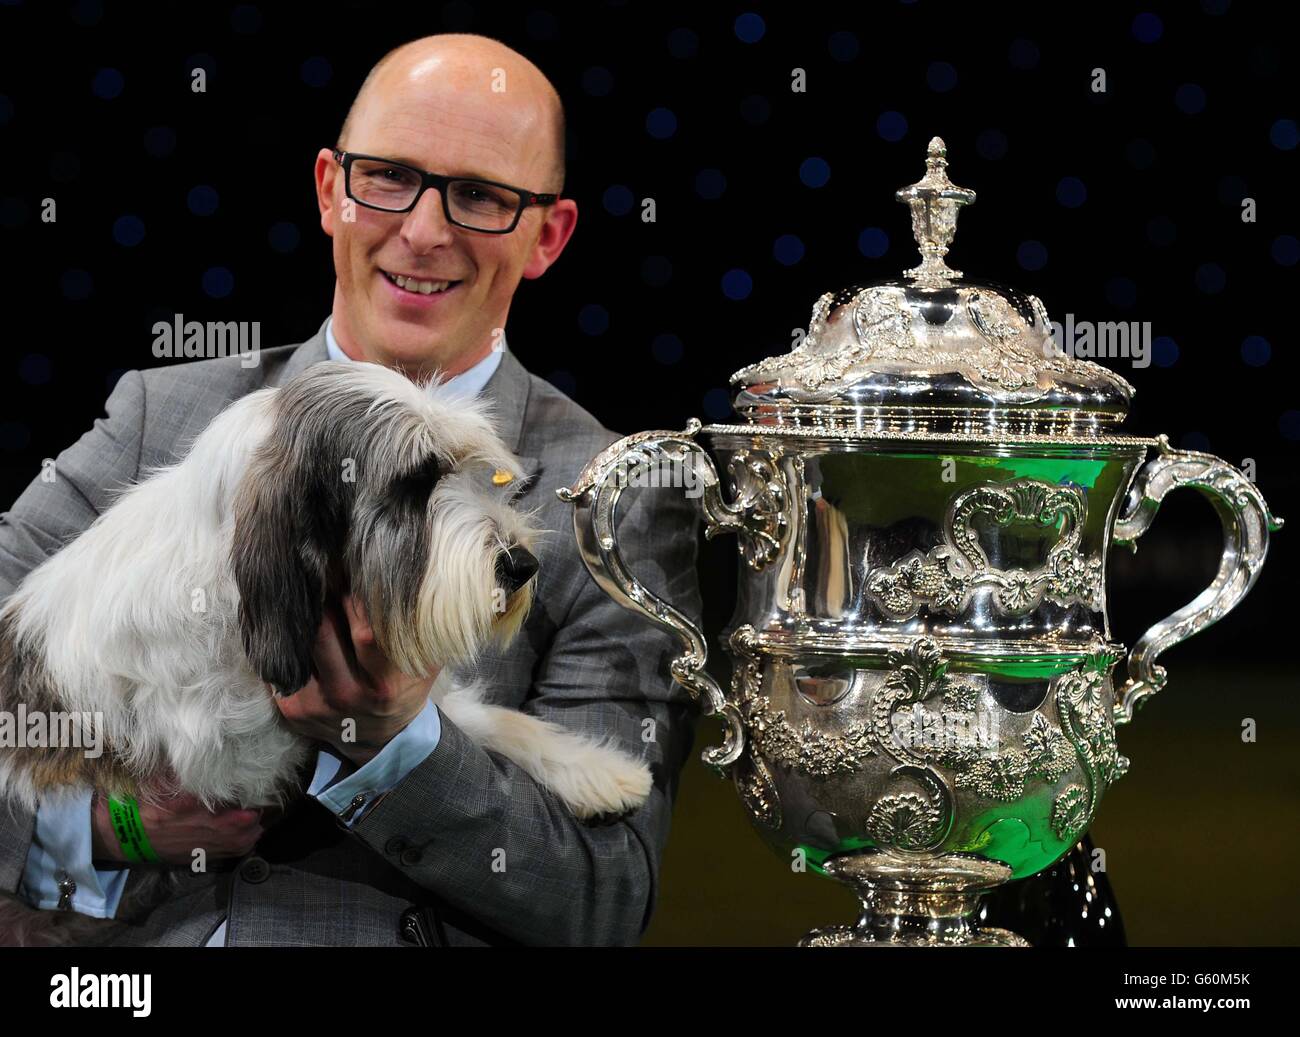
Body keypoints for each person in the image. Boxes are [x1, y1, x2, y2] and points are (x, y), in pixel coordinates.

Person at [0, 33, 703, 947]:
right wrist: (108, 827)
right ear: (331, 188)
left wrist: (397, 740)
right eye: (388, 178)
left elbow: (602, 899)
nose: (422, 231)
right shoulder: (158, 415)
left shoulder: (617, 496)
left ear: (549, 235)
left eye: (481, 196)